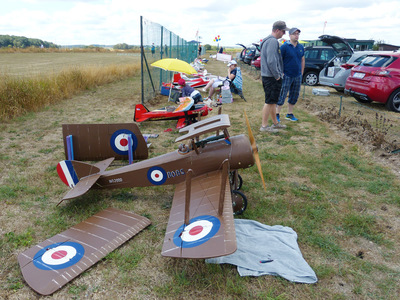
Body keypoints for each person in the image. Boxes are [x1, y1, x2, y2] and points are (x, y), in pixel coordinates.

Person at [259, 20, 289, 133]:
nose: (284, 34)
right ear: (277, 30)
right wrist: (277, 75)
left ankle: (275, 123)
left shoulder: (268, 40)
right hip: (271, 77)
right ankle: (264, 126)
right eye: (283, 31)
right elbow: (271, 61)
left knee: (273, 101)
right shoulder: (272, 42)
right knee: (269, 102)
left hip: (269, 76)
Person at [276, 27, 305, 122]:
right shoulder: (284, 47)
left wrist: (301, 72)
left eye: (298, 34)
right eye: (294, 34)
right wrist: (281, 72)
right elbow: (279, 60)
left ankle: (289, 114)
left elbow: (302, 59)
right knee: (282, 94)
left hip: (297, 75)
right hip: (287, 75)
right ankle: (277, 114)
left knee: (294, 95)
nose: (296, 36)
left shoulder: (300, 47)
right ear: (290, 35)